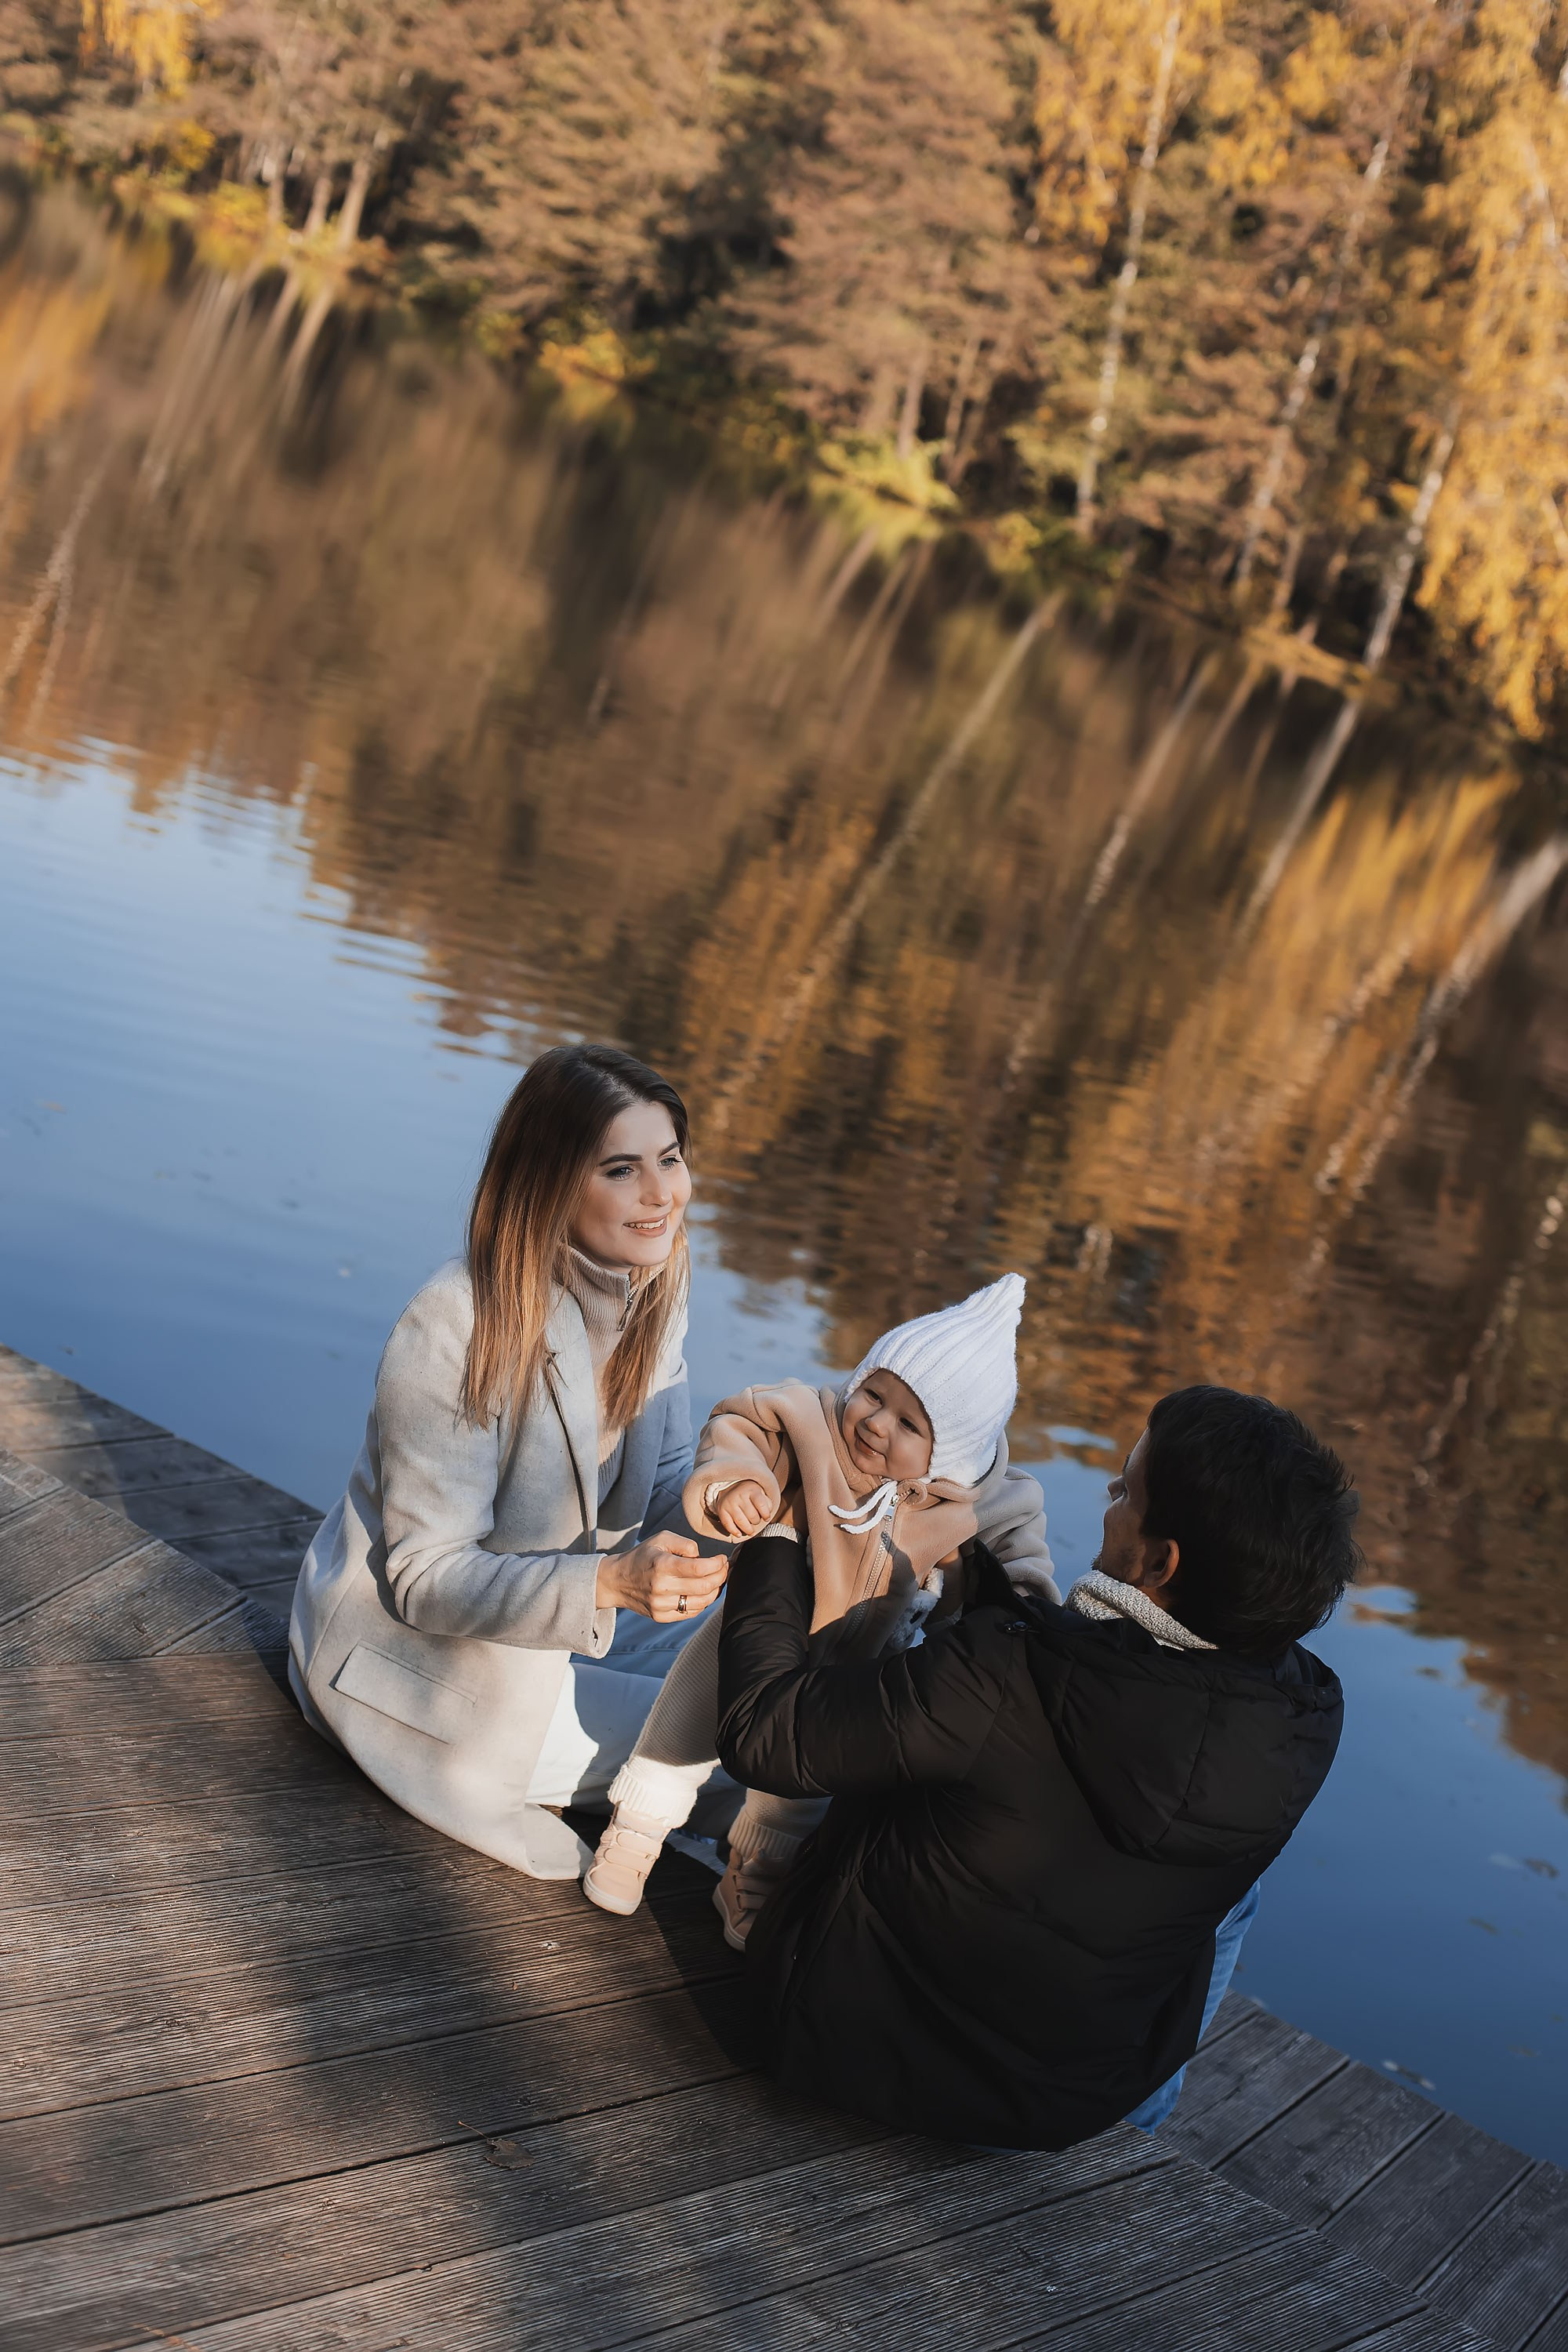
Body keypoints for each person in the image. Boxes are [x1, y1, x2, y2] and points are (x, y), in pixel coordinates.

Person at [713, 1385, 1355, 2148]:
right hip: (1070, 2104)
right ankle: (1145, 2114)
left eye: (1123, 1491)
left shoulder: (1006, 1674)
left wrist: (781, 1539)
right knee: (1228, 1887)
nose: (1109, 1502)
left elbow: (761, 1731)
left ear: (1158, 1561)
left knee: (900, 1745)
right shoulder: (1304, 1712)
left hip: (845, 2048)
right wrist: (976, 1577)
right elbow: (1080, 1698)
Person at [289, 1044, 728, 1880]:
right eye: (621, 1169)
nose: (660, 1194)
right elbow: (424, 1578)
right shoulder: (455, 1322)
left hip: (554, 1625)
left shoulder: (652, 1282)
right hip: (416, 1675)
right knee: (752, 1751)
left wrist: (735, 1504)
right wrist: (610, 1584)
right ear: (552, 1182)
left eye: (669, 1158)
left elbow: (664, 1492)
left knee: (774, 1676)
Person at [582, 1275, 1057, 1940]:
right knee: (682, 1727)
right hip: (750, 1634)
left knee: (799, 1786)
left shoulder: (988, 1504)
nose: (874, 1422)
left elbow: (1022, 1571)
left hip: (857, 1675)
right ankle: (633, 1836)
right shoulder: (812, 1422)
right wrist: (733, 1485)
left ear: (949, 1451)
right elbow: (743, 1425)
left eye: (909, 1423)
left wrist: (1025, 1619)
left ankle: (752, 1878)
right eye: (873, 1392)